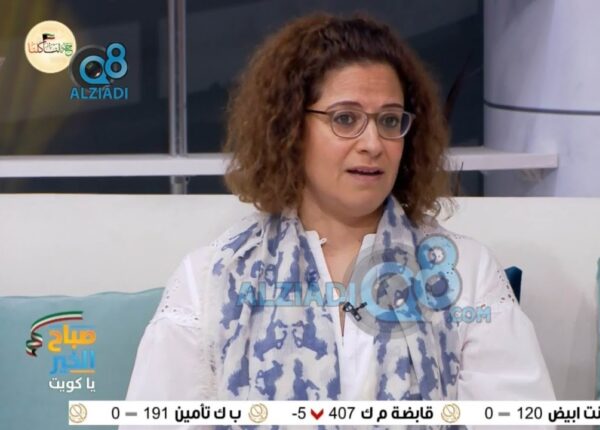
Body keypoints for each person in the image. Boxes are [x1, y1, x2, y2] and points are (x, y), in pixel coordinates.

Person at [123, 13, 555, 430]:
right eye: (346, 119)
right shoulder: (209, 280)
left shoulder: (466, 273)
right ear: (291, 128)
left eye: (389, 120)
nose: (373, 144)